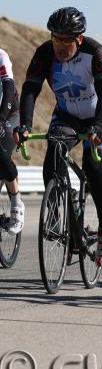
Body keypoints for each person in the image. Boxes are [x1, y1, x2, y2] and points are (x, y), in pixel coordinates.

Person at [15, 7, 102, 266]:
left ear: (79, 39)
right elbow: (30, 89)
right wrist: (25, 124)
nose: (60, 45)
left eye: (66, 40)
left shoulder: (95, 52)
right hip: (67, 115)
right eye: (55, 38)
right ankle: (55, 210)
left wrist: (98, 126)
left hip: (101, 116)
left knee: (93, 167)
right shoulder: (45, 53)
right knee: (54, 150)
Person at [0, 48, 24, 235]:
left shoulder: (1, 56)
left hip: (9, 111)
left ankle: (16, 203)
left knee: (1, 152)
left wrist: (1, 119)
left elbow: (8, 88)